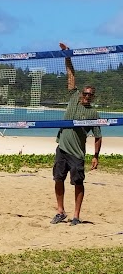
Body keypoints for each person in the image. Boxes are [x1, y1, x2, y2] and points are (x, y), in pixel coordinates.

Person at [50, 42, 102, 226]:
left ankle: (76, 216)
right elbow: (71, 75)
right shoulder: (73, 97)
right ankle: (60, 211)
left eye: (90, 95)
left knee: (78, 183)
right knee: (58, 179)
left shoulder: (93, 114)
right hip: (62, 148)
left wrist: (96, 156)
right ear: (81, 93)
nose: (86, 96)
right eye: (85, 93)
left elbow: (98, 136)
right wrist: (67, 55)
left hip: (77, 153)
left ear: (92, 97)